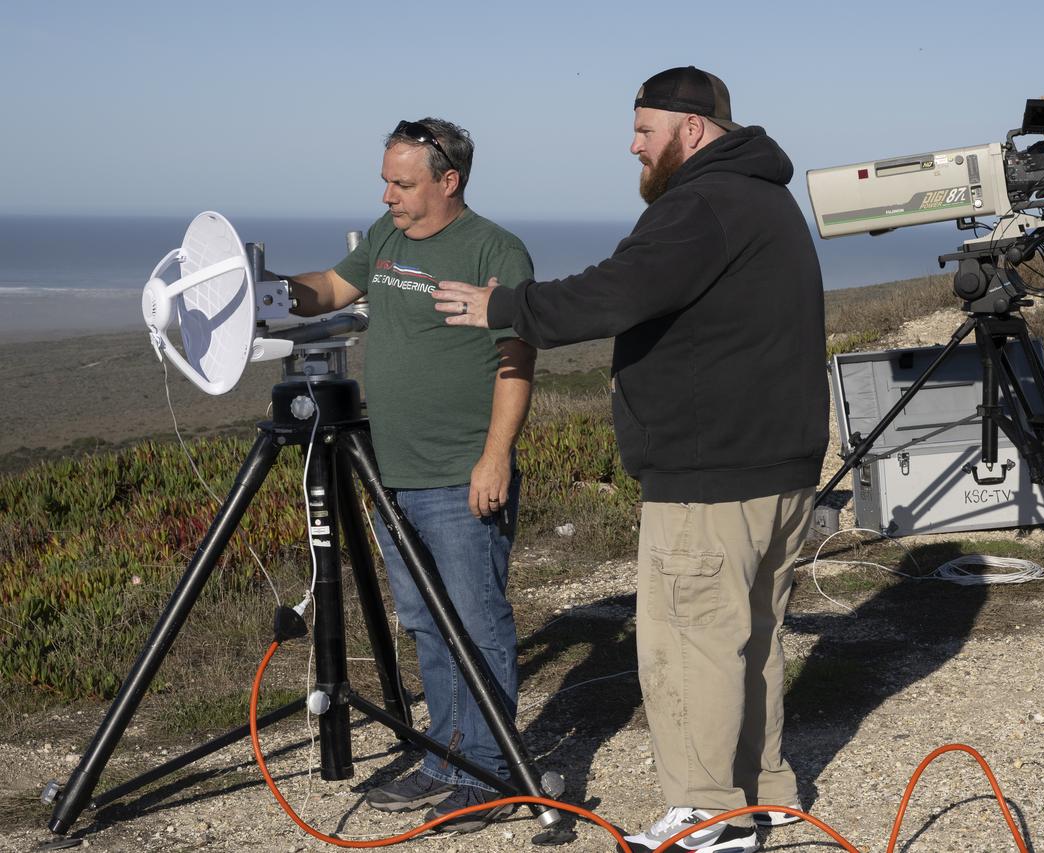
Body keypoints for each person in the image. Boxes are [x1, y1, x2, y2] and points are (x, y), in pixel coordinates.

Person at [431, 67, 829, 853]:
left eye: (645, 131)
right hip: (774, 465)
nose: (634, 146)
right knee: (746, 637)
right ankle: (764, 793)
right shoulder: (762, 196)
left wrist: (506, 307)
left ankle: (708, 814)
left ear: (691, 129)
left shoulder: (702, 202)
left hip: (710, 470)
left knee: (688, 643)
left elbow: (619, 290)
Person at [281, 117, 536, 833]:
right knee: (426, 620)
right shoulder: (388, 235)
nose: (387, 193)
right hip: (391, 472)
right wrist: (265, 290)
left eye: (402, 181)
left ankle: (493, 774)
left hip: (462, 474)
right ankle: (445, 758)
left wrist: (497, 455)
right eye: (385, 179)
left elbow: (518, 358)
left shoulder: (494, 249)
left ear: (448, 180)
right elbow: (332, 286)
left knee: (477, 623)